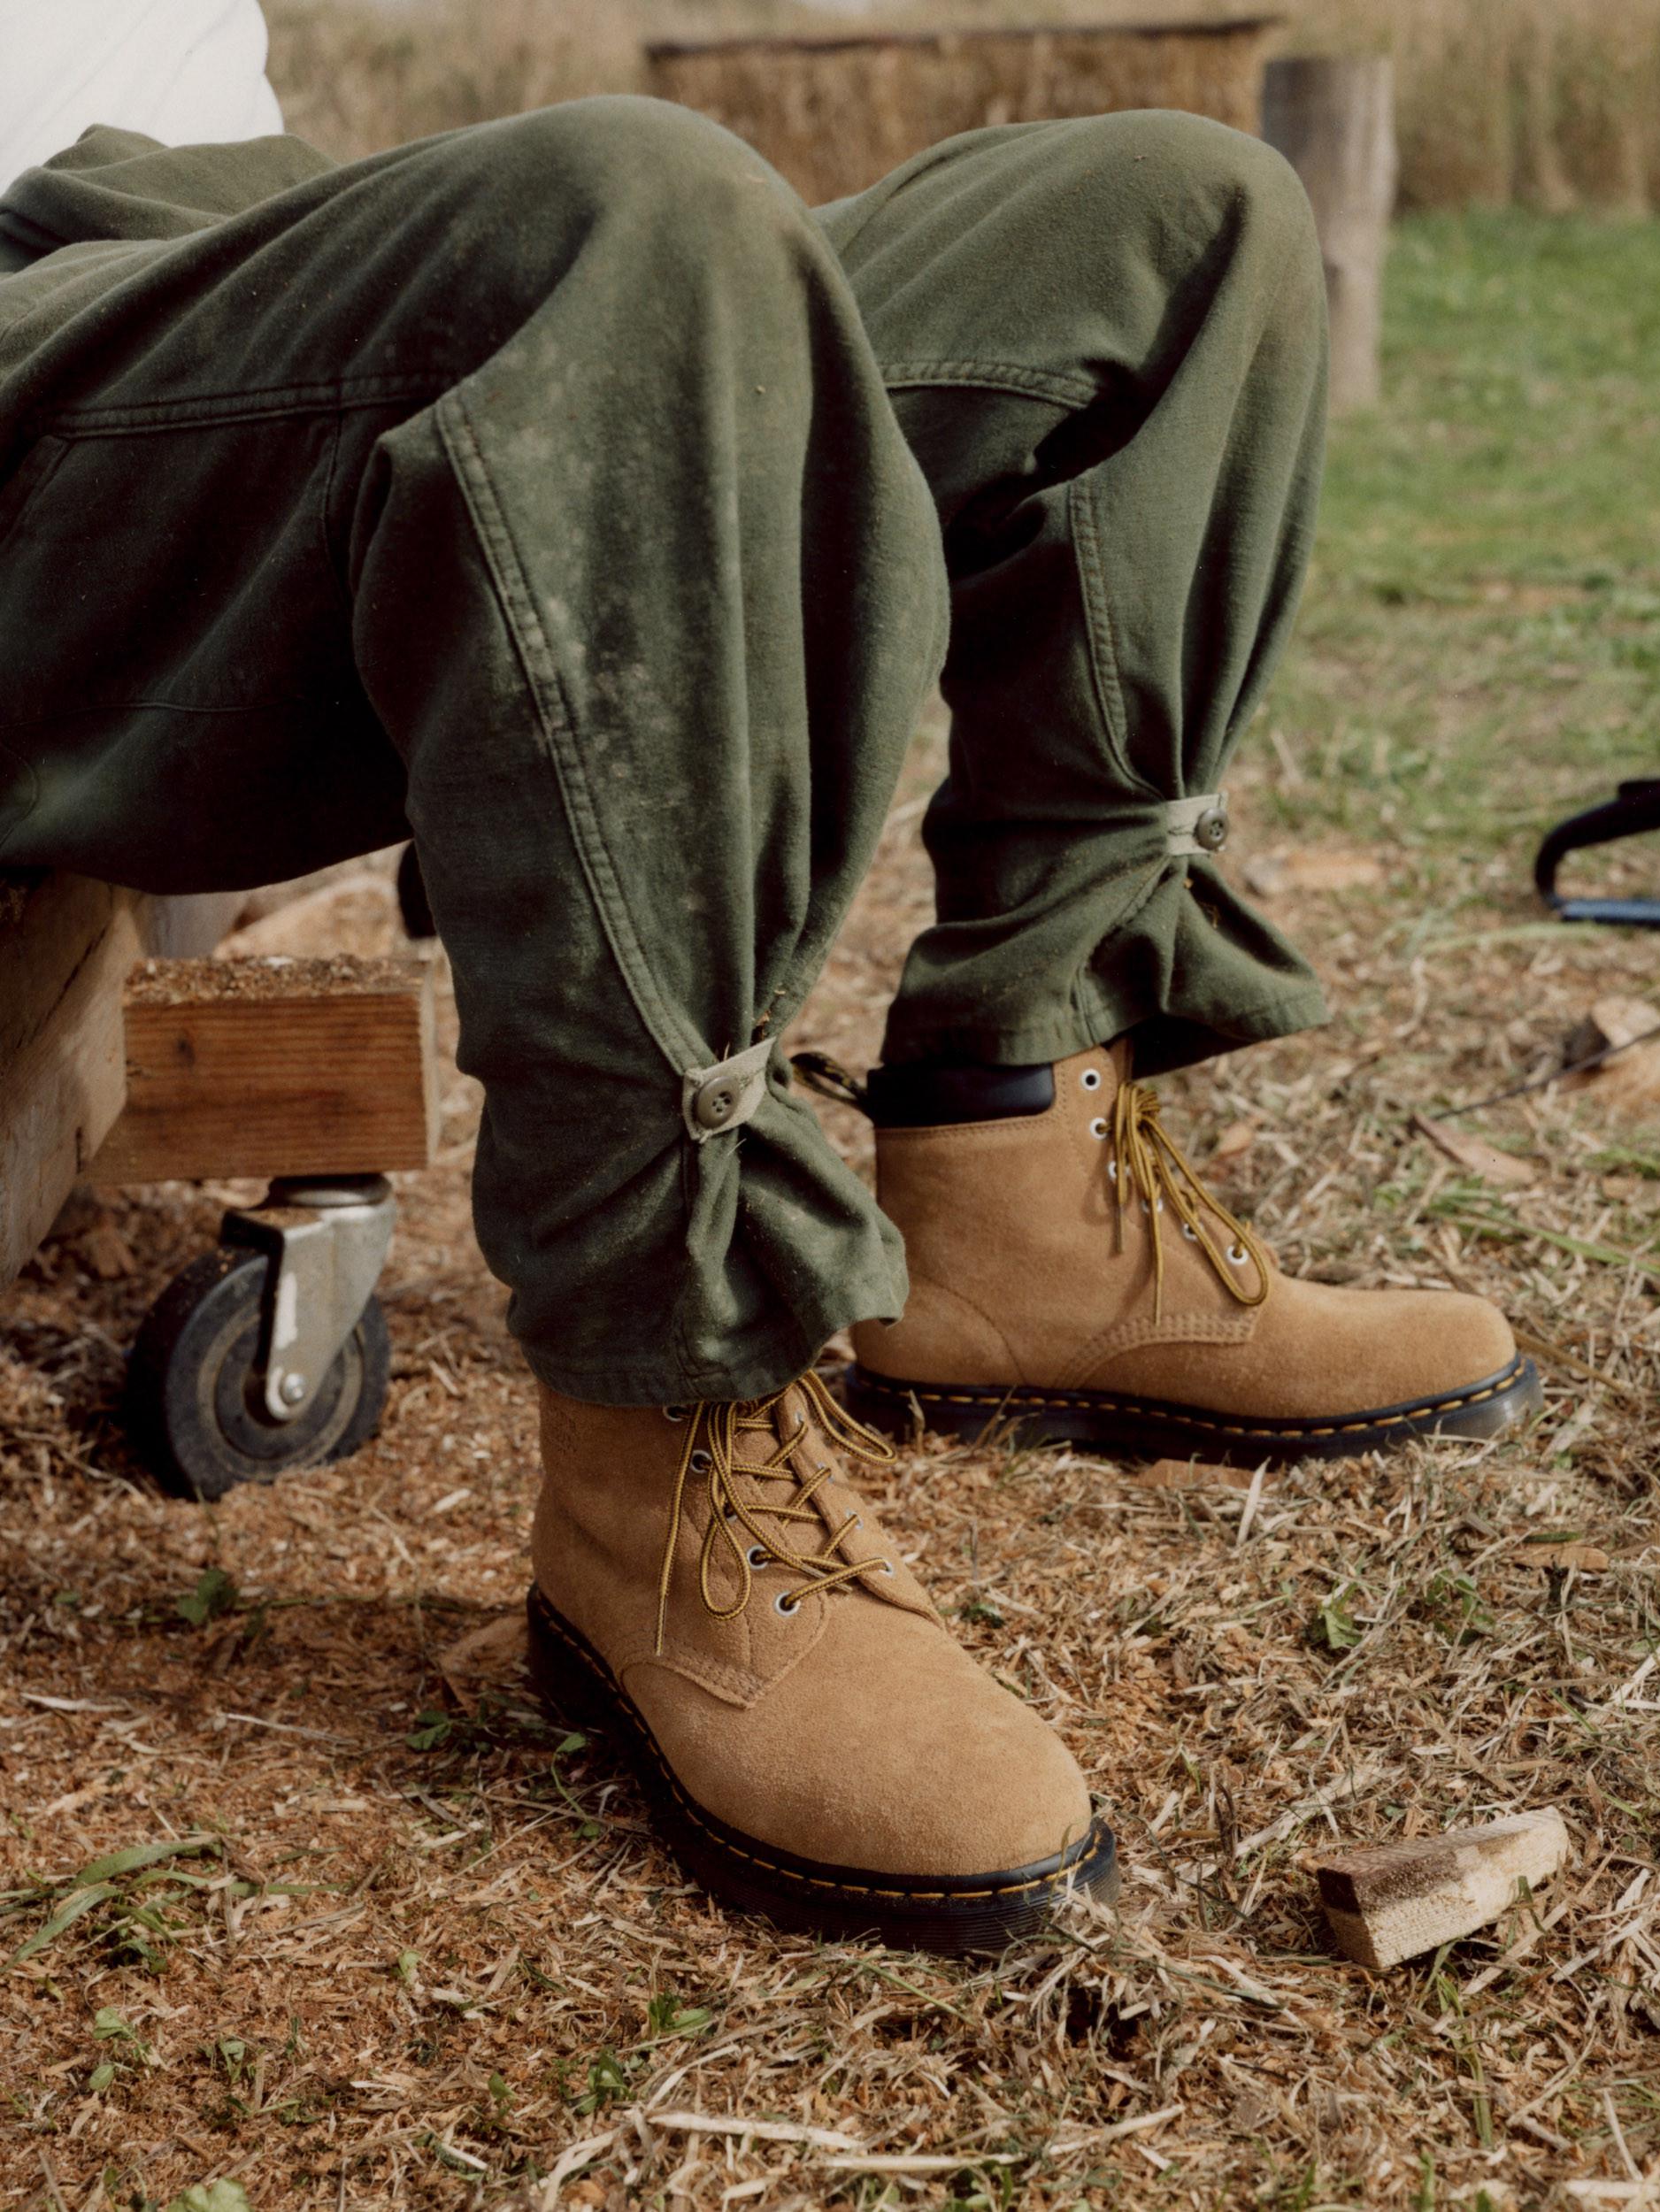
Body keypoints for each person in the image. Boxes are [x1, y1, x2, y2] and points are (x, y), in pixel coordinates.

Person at [0, 8, 1540, 1952]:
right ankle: (664, 1440)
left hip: (262, 243)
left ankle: (1021, 1190)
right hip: (46, 351)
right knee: (627, 226)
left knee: (1169, 219)